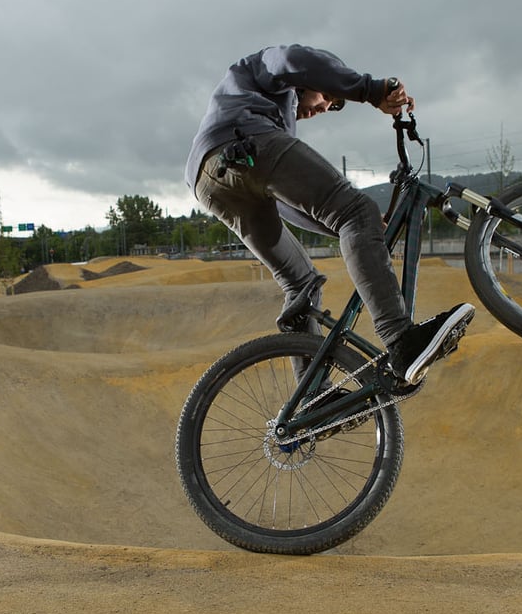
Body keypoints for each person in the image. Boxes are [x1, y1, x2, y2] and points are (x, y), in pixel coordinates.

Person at [185, 44, 474, 386]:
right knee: (357, 209)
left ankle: (311, 392)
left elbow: (286, 204)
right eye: (328, 99)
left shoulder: (271, 121)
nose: (324, 108)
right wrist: (370, 90)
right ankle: (401, 340)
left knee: (301, 283)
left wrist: (351, 227)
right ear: (310, 83)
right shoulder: (261, 77)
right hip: (243, 141)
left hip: (209, 181)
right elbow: (295, 60)